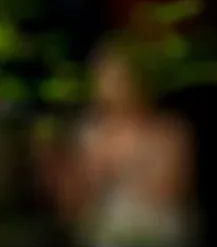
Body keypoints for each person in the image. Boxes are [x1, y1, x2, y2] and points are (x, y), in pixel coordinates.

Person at [47, 40, 196, 247]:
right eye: (103, 76)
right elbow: (73, 203)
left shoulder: (168, 131)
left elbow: (170, 190)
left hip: (156, 232)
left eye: (118, 77)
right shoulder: (90, 131)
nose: (109, 85)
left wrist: (121, 164)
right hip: (104, 234)